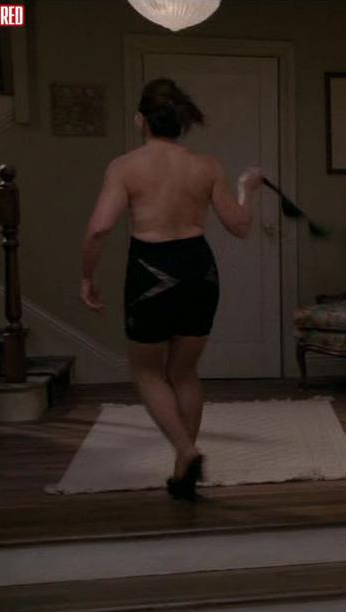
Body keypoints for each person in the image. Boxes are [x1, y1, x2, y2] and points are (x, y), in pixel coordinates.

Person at [80, 78, 260, 500]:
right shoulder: (207, 166)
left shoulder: (125, 167)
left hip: (152, 270)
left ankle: (185, 449)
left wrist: (87, 276)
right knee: (184, 371)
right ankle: (183, 472)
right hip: (199, 270)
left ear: (140, 120)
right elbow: (240, 226)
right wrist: (246, 190)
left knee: (147, 371)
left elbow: (99, 229)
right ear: (181, 122)